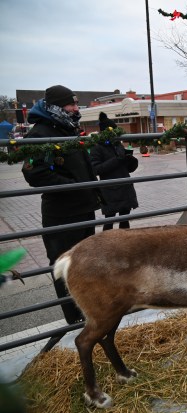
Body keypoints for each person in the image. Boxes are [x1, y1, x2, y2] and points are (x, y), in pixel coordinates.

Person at [21, 85, 100, 324]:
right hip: (63, 214)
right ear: (56, 107)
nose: (76, 109)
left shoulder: (67, 128)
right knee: (64, 266)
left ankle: (90, 309)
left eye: (76, 103)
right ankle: (73, 318)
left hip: (84, 209)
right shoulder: (40, 134)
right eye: (71, 104)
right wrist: (74, 186)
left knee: (86, 263)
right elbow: (36, 174)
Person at [89, 112, 139, 230]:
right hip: (110, 191)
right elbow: (96, 169)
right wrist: (117, 160)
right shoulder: (97, 148)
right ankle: (106, 246)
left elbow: (129, 168)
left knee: (125, 221)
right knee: (109, 222)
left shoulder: (117, 144)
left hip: (125, 188)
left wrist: (131, 160)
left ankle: (125, 245)